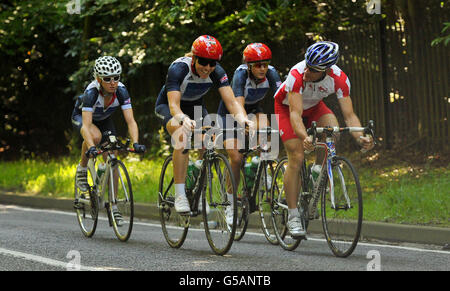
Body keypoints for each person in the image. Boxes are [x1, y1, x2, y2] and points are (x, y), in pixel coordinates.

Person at [273, 41, 374, 238]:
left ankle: (317, 170)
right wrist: (305, 137)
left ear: (326, 71)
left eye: (312, 70)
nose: (306, 72)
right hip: (287, 108)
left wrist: (361, 137)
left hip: (314, 107)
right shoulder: (296, 74)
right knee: (297, 155)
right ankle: (293, 216)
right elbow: (295, 114)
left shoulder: (339, 79)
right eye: (307, 65)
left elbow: (350, 115)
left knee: (333, 131)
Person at [155, 35, 254, 214]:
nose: (208, 68)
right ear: (194, 58)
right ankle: (180, 195)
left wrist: (243, 119)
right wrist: (182, 119)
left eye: (212, 63)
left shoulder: (217, 72)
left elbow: (231, 103)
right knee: (182, 136)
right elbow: (173, 105)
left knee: (209, 139)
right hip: (170, 107)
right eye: (203, 62)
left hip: (196, 107)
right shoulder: (178, 69)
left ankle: (197, 183)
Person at [72, 56, 146, 223]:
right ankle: (82, 170)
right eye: (107, 79)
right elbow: (86, 126)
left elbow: (131, 121)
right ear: (98, 79)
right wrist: (91, 147)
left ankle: (113, 206)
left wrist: (135, 143)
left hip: (104, 119)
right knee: (95, 136)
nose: (113, 82)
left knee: (112, 155)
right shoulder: (91, 93)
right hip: (83, 118)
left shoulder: (121, 91)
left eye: (116, 78)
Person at [217, 43, 281, 224]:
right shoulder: (240, 74)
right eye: (257, 65)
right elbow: (237, 105)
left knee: (267, 128)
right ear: (248, 65)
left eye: (265, 64)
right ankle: (230, 204)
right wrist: (245, 124)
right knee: (236, 158)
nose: (262, 69)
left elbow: (282, 101)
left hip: (253, 109)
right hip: (231, 114)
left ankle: (265, 171)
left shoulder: (272, 74)